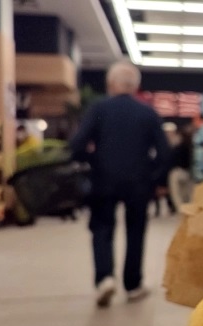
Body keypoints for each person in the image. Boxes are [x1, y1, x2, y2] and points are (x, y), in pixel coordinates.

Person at [71, 61, 170, 307]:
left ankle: (105, 278)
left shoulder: (99, 109)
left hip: (103, 179)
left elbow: (77, 144)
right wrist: (156, 179)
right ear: (136, 86)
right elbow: (164, 152)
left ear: (111, 84)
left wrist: (92, 160)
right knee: (136, 231)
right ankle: (133, 285)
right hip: (139, 181)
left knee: (102, 228)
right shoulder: (147, 112)